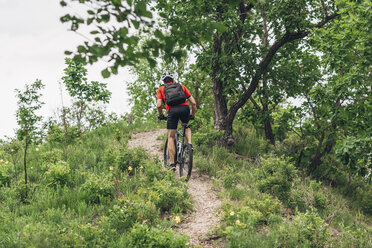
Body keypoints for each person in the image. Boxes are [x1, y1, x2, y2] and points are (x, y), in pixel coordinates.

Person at [156, 71, 197, 170]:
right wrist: (192, 114)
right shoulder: (181, 86)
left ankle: (172, 164)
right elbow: (194, 103)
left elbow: (159, 105)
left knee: (171, 137)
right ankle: (189, 145)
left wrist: (161, 115)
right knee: (186, 125)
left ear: (163, 81)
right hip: (184, 109)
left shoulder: (161, 89)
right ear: (173, 79)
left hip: (172, 111)